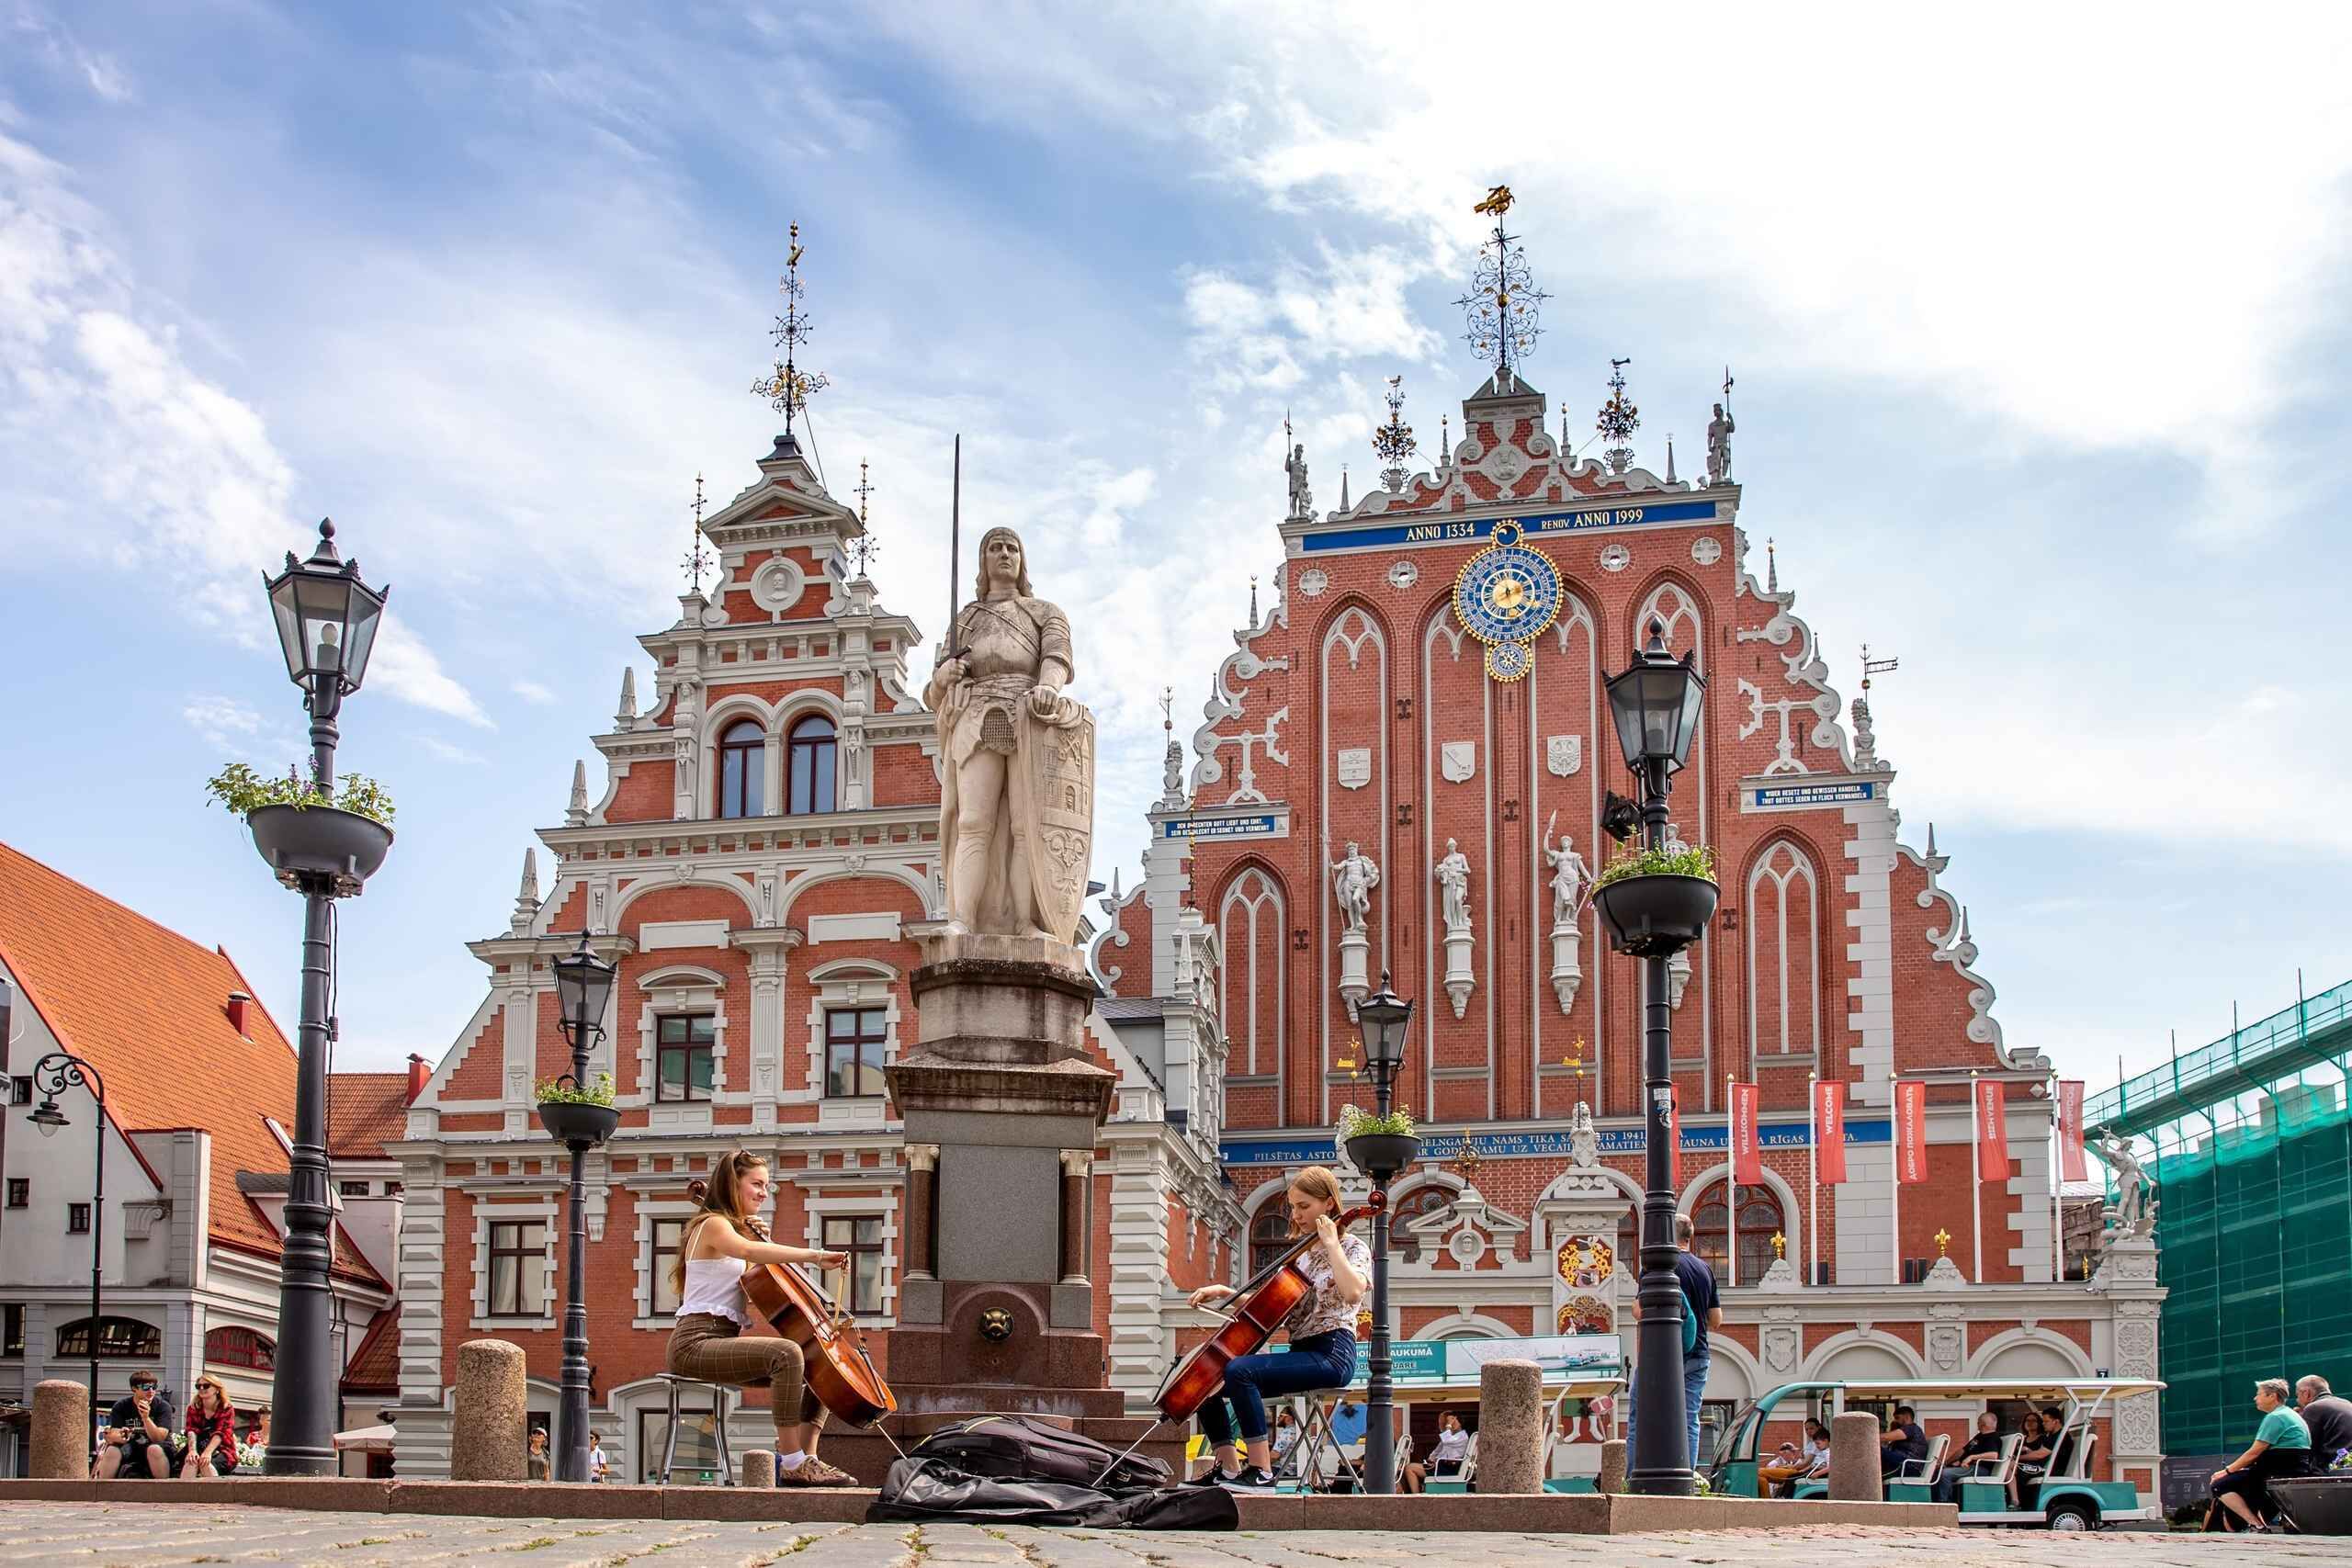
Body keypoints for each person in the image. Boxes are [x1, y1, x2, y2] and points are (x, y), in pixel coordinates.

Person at [666, 1148, 856, 1487]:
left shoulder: (732, 1232)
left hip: (721, 1339)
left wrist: (755, 1237)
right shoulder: (712, 1224)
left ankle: (806, 1458)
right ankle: (792, 1460)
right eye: (756, 1184)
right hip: (693, 1344)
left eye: (767, 1186)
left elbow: (757, 1277)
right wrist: (815, 1255)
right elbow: (749, 1253)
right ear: (732, 1183)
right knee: (786, 1354)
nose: (763, 1193)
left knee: (820, 1361)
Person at [1182, 1166, 1371, 1493]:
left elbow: (1353, 1291)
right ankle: (1229, 1470)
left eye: (1304, 1206)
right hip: (1302, 1351)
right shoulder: (1301, 1258)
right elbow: (1273, 1306)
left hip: (1333, 1353)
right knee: (1204, 1380)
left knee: (1241, 1370)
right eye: (1293, 1207)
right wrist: (1228, 1292)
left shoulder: (1353, 1247)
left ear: (1328, 1204)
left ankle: (1261, 1472)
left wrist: (1332, 1245)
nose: (1295, 1215)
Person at [1628, 1212, 1722, 1465]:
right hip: (1698, 1352)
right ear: (1690, 1237)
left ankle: (1634, 1475)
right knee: (1689, 1417)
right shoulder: (1705, 1270)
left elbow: (1639, 1311)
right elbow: (1716, 1319)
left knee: (1640, 1415)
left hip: (1658, 1355)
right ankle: (1685, 1475)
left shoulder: (1657, 1265)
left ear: (1668, 1234)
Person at [2209, 1378, 2314, 1532]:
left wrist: (2226, 1471)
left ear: (2272, 1396)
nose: (2255, 1398)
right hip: (2292, 1468)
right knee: (2245, 1484)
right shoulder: (2290, 1414)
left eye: (2259, 1394)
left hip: (2277, 1470)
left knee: (2219, 1485)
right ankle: (2257, 1525)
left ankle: (2256, 1525)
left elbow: (2254, 1452)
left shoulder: (2275, 1417)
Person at [92, 1369, 177, 1480]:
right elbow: (114, 1434)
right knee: (112, 1451)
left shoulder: (163, 1406)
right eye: (146, 1387)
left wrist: (146, 1418)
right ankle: (103, 1489)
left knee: (154, 1449)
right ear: (134, 1388)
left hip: (159, 1448)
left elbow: (159, 1438)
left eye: (154, 1387)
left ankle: (162, 1490)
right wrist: (121, 1436)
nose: (151, 1391)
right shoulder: (121, 1406)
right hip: (131, 1446)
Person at [1935, 1411, 2004, 1503]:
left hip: (1979, 1469)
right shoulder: (1979, 1437)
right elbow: (1962, 1451)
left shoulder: (1993, 1437)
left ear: (1983, 1424)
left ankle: (1944, 1503)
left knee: (1945, 1474)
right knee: (1938, 1471)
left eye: (1979, 1422)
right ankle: (1935, 1501)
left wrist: (1971, 1457)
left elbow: (1993, 1455)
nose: (1978, 1424)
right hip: (1969, 1468)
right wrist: (1945, 1463)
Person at [179, 1375, 239, 1479]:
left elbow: (221, 1432)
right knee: (191, 1463)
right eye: (198, 1386)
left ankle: (215, 1494)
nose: (201, 1389)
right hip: (199, 1447)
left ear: (217, 1389)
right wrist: (192, 1450)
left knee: (205, 1464)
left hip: (222, 1450)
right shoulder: (193, 1408)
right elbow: (191, 1430)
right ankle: (184, 1494)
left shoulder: (226, 1408)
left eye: (206, 1386)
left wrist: (207, 1453)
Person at [2297, 1375, 2352, 1470]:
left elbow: (2306, 1446)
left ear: (2306, 1393)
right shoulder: (2347, 1403)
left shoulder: (2313, 1407)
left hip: (2331, 1468)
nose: (2297, 1400)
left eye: (2297, 1395)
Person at [1880, 1404, 1928, 1480]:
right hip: (1905, 1464)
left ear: (1907, 1417)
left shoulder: (1911, 1428)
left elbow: (1885, 1437)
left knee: (1878, 1450)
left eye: (1897, 1418)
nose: (1895, 1421)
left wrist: (1866, 1437)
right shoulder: (1908, 1430)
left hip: (1909, 1465)